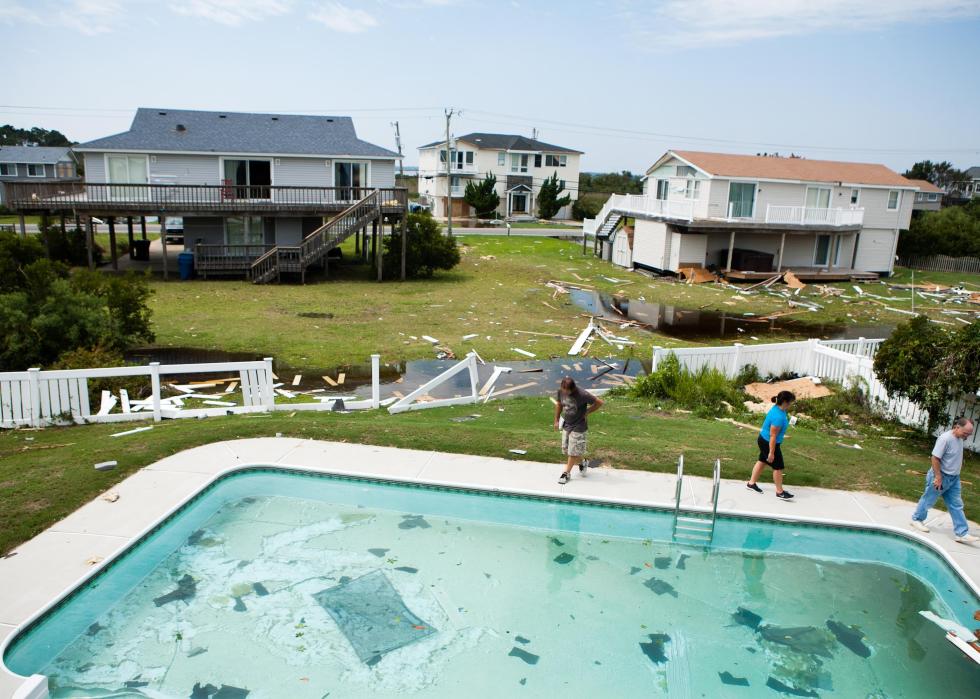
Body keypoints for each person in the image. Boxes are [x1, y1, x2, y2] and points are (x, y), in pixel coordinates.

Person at [910, 417, 977, 544]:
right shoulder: (945, 439)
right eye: (965, 433)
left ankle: (961, 533)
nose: (967, 436)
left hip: (954, 479)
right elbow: (935, 458)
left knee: (956, 505)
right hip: (941, 477)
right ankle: (916, 519)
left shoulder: (959, 438)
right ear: (957, 427)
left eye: (969, 434)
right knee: (928, 499)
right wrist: (938, 477)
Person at [746, 390, 795, 499]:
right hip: (769, 442)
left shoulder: (778, 409)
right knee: (778, 467)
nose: (791, 404)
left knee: (762, 461)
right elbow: (773, 436)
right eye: (791, 402)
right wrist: (771, 453)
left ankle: (751, 483)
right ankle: (780, 492)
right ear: (785, 402)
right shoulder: (778, 416)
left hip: (764, 439)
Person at [554, 376, 603, 484]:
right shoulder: (561, 392)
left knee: (572, 450)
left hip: (579, 425)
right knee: (567, 449)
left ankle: (566, 473)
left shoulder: (583, 394)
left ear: (573, 389)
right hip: (567, 423)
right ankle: (583, 462)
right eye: (563, 390)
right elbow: (559, 404)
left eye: (567, 391)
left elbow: (599, 402)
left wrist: (587, 412)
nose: (565, 393)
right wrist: (556, 420)